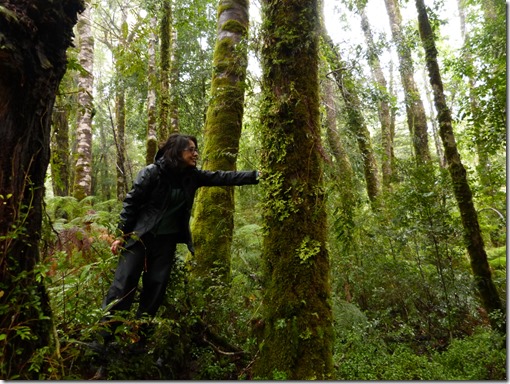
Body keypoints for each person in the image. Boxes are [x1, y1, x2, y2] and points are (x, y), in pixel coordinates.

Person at [91, 133, 259, 351]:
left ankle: (139, 340)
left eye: (195, 149)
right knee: (123, 285)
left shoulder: (192, 176)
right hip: (140, 237)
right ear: (176, 151)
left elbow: (223, 177)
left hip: (165, 243)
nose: (195, 153)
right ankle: (103, 338)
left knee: (155, 289)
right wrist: (121, 235)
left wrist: (256, 175)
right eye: (190, 149)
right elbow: (131, 204)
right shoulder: (152, 173)